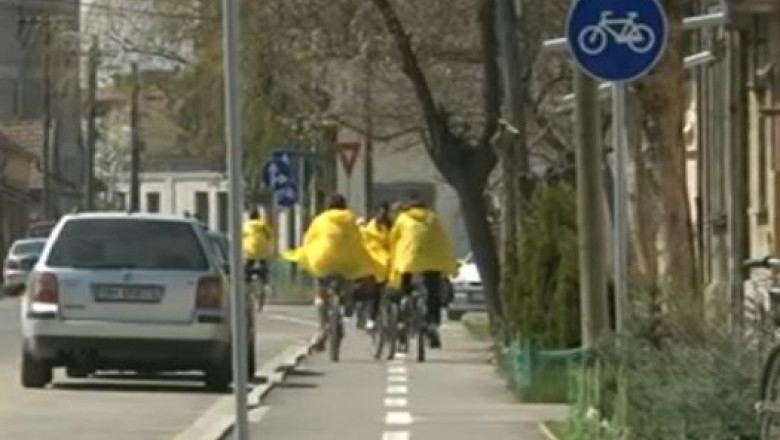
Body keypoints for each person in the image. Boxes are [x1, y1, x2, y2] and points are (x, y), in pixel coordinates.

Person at [284, 194, 383, 348]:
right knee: (349, 276)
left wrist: (305, 255)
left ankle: (323, 327)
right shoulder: (350, 219)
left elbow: (308, 240)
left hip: (324, 260)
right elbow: (359, 239)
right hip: (348, 261)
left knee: (321, 293)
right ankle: (348, 302)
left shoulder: (320, 219)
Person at [388, 193, 458, 349]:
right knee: (432, 292)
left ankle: (402, 318)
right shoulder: (433, 219)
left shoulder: (402, 219)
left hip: (408, 261)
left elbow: (393, 241)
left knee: (404, 288)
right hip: (432, 262)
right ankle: (432, 324)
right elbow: (443, 241)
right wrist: (448, 265)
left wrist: (393, 263)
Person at [357, 202, 394, 331]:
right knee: (375, 290)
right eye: (381, 212)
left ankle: (396, 322)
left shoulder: (390, 227)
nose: (383, 215)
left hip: (387, 263)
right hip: (374, 262)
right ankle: (370, 317)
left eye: (385, 213)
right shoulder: (371, 228)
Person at [242, 208, 273, 286]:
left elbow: (242, 235)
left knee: (248, 264)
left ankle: (246, 279)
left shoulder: (246, 225)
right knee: (263, 263)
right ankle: (265, 280)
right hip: (262, 250)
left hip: (250, 251)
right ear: (258, 216)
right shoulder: (263, 225)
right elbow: (269, 235)